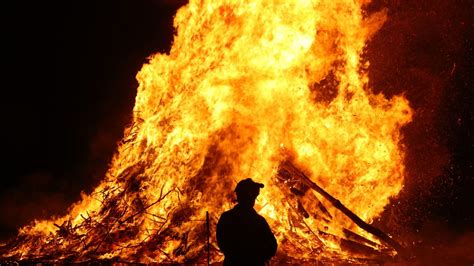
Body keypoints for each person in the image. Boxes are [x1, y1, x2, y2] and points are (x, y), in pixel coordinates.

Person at [216, 178, 278, 265]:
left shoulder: (226, 217)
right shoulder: (258, 221)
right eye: (254, 195)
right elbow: (272, 247)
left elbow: (222, 243)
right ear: (252, 197)